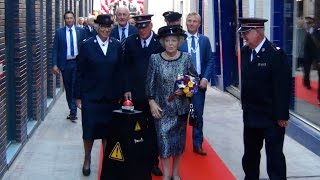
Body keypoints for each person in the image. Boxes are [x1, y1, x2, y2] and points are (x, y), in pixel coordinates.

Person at [238, 17, 290, 180]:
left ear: (259, 31)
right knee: (250, 156)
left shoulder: (275, 54)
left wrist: (282, 115)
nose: (244, 36)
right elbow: (246, 83)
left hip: (271, 118)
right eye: (243, 33)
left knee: (274, 157)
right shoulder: (246, 52)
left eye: (247, 32)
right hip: (251, 115)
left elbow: (282, 86)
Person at [146, 25, 198, 180]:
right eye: (167, 40)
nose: (170, 43)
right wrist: (151, 102)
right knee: (164, 143)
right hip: (161, 110)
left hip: (180, 110)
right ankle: (166, 175)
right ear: (163, 42)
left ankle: (176, 174)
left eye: (173, 40)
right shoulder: (155, 59)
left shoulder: (186, 58)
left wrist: (186, 89)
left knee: (178, 145)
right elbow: (149, 84)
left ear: (179, 41)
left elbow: (194, 80)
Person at [74, 14, 123, 176]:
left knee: (108, 132)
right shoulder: (87, 45)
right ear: (97, 28)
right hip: (91, 97)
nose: (105, 30)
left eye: (108, 28)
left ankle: (107, 163)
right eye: (102, 27)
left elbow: (120, 71)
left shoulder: (116, 45)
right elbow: (79, 71)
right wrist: (78, 96)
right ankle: (87, 158)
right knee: (89, 131)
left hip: (110, 97)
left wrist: (121, 93)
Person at [123, 14, 164, 176]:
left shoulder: (160, 42)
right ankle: (138, 160)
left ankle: (153, 162)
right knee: (137, 129)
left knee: (154, 130)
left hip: (156, 95)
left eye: (145, 27)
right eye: (139, 27)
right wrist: (126, 88)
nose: (142, 30)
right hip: (136, 93)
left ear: (151, 26)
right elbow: (125, 67)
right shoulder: (131, 41)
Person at [179, 12, 214, 156]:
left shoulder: (205, 41)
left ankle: (197, 144)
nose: (192, 23)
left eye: (194, 21)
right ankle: (179, 144)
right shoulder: (180, 40)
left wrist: (206, 78)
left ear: (199, 24)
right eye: (189, 21)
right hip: (185, 81)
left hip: (199, 82)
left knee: (198, 114)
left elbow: (210, 60)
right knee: (182, 114)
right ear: (186, 23)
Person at [52, 11, 86, 121]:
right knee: (68, 87)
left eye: (71, 18)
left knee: (75, 86)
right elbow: (55, 49)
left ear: (74, 19)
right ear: (64, 20)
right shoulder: (59, 32)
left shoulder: (81, 31)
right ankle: (72, 109)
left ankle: (73, 111)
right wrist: (54, 64)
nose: (69, 20)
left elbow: (86, 48)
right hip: (65, 63)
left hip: (77, 62)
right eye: (67, 18)